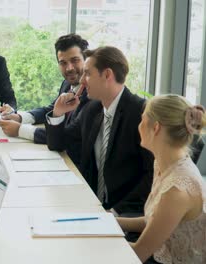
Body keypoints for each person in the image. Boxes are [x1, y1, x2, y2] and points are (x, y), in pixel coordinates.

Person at [45, 46, 154, 215]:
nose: (82, 81)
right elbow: (59, 143)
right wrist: (58, 113)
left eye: (87, 74)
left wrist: (115, 213)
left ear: (107, 75)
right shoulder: (92, 110)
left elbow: (152, 176)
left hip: (126, 214)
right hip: (90, 205)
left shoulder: (141, 114)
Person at [117, 95, 206, 263]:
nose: (138, 126)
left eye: (142, 120)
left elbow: (137, 255)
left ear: (156, 127)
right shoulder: (164, 163)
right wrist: (111, 222)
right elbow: (153, 220)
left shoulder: (177, 190)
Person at [0, 33, 90, 168]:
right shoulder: (67, 84)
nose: (69, 68)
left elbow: (66, 137)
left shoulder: (92, 94)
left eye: (75, 60)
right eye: (63, 63)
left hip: (78, 166)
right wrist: (19, 117)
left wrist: (20, 130)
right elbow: (51, 109)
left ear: (86, 60)